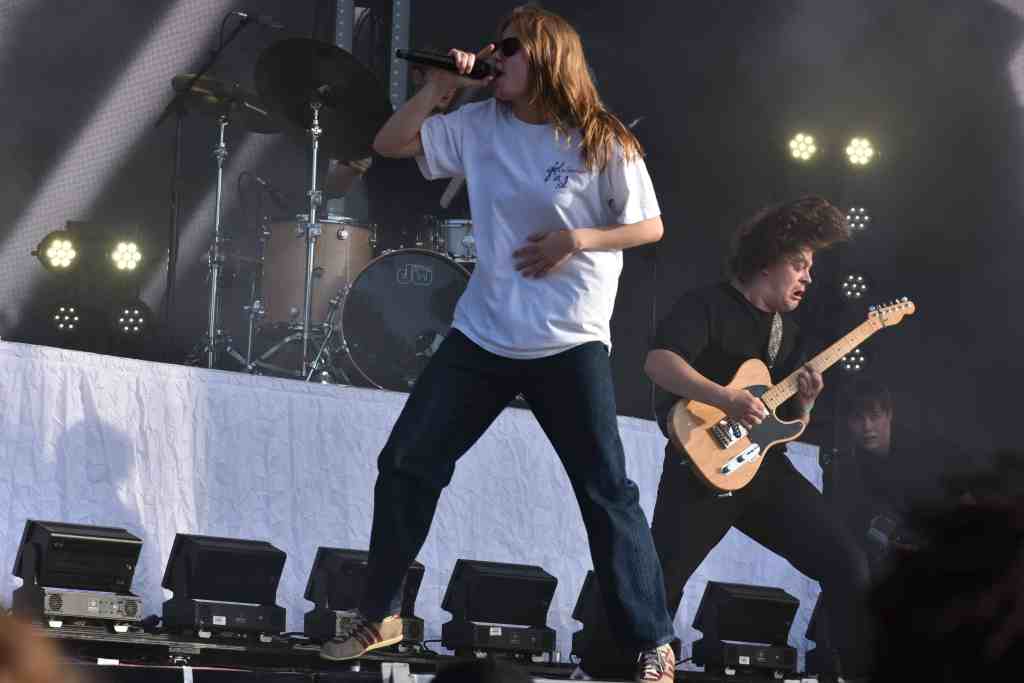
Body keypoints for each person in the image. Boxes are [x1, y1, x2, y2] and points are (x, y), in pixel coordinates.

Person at [319, 6, 677, 682]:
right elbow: (391, 143)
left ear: (547, 58)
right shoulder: (479, 124)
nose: (497, 56)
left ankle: (653, 641)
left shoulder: (600, 137)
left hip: (568, 339)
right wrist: (439, 89)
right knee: (407, 460)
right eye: (497, 48)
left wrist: (577, 239)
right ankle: (379, 613)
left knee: (606, 491)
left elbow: (649, 225)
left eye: (510, 49)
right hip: (483, 332)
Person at [579, 197, 872, 680]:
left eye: (810, 268)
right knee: (660, 583)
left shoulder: (788, 334)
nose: (807, 277)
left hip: (764, 472)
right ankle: (601, 670)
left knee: (848, 563)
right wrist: (725, 398)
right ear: (767, 260)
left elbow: (782, 424)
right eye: (799, 265)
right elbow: (658, 363)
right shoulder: (707, 306)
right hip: (699, 469)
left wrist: (805, 405)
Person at [828, 377, 978, 575]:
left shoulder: (925, 450)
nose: (867, 426)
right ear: (848, 422)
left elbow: (967, 500)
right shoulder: (856, 464)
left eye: (874, 416)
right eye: (858, 418)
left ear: (889, 414)